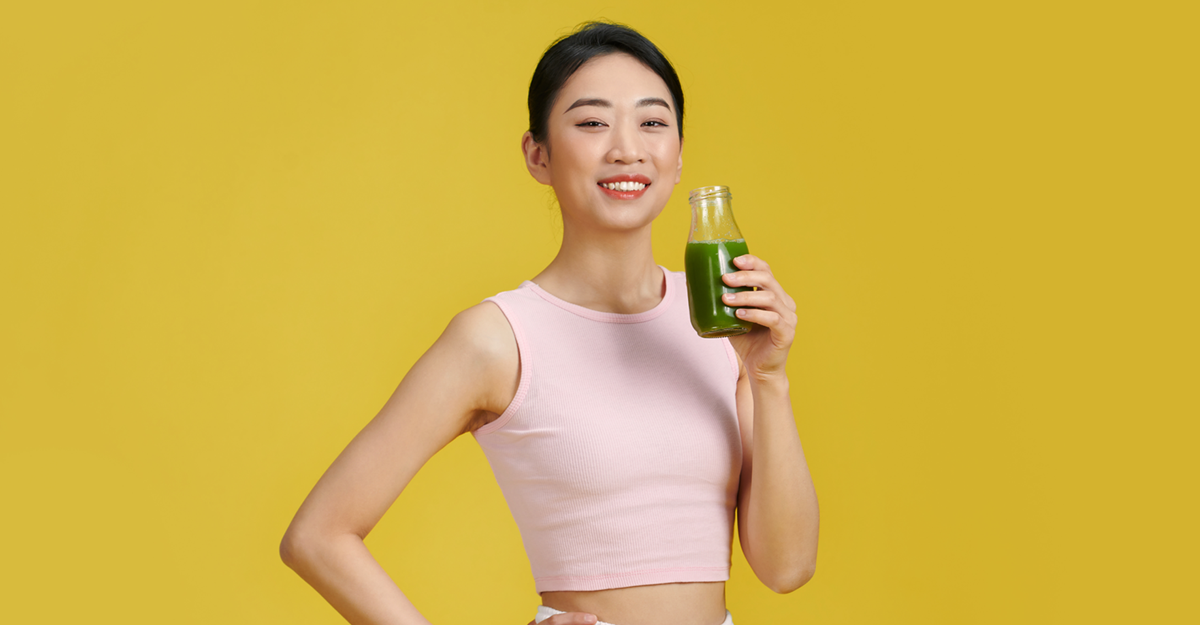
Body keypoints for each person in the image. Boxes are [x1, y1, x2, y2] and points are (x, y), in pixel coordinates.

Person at [280, 21, 819, 625]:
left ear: (679, 153)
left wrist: (768, 377)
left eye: (652, 122)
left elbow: (787, 567)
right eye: (592, 123)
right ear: (539, 155)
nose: (626, 149)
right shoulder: (499, 338)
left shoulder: (720, 325)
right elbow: (319, 537)